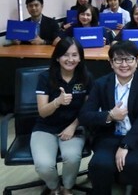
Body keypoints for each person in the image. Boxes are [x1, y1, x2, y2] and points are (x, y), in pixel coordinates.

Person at [79, 41, 138, 195]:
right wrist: (109, 115)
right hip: (109, 136)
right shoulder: (101, 84)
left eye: (129, 59)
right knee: (99, 165)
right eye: (118, 60)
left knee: (135, 164)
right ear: (111, 63)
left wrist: (125, 145)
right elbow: (85, 116)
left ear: (136, 62)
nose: (124, 64)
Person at [31, 37, 92, 195]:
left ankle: (67, 188)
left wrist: (73, 126)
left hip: (74, 128)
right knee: (44, 165)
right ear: (57, 57)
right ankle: (54, 187)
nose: (70, 59)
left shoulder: (86, 78)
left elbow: (87, 109)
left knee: (72, 157)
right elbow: (43, 112)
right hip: (45, 128)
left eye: (74, 55)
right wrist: (57, 102)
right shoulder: (45, 78)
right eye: (65, 55)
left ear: (80, 58)